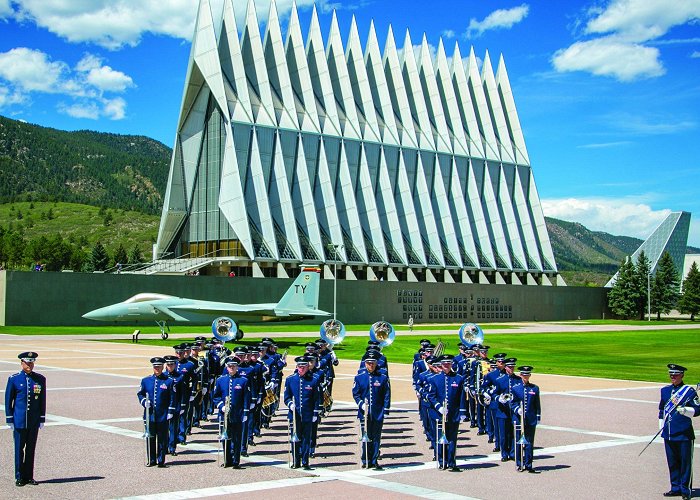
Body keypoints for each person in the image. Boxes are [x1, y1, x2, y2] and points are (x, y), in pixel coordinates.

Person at [659, 364, 700, 499]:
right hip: (669, 433)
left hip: (684, 434)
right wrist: (661, 426)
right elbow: (661, 410)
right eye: (671, 375)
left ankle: (685, 490)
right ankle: (675, 487)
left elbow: (698, 409)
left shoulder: (689, 392)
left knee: (685, 463)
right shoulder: (665, 391)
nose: (673, 377)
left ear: (682, 375)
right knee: (673, 462)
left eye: (676, 375)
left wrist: (687, 411)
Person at [5, 351, 46, 487]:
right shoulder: (14, 379)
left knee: (31, 449)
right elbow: (8, 400)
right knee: (19, 449)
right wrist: (10, 419)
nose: (30, 365)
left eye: (32, 362)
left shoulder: (40, 379)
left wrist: (41, 418)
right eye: (27, 363)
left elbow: (42, 400)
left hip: (33, 421)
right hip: (19, 420)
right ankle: (19, 476)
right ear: (21, 363)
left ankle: (29, 476)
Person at [426, 354, 467, 471]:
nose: (446, 366)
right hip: (439, 414)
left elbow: (461, 397)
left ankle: (452, 462)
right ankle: (441, 461)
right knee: (440, 438)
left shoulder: (458, 378)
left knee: (452, 438)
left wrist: (462, 412)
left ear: (451, 364)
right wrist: (439, 407)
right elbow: (431, 396)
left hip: (453, 414)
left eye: (448, 364)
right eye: (444, 364)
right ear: (441, 365)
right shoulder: (434, 379)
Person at [352, 351, 391, 469]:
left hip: (377, 412)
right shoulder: (359, 377)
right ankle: (365, 459)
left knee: (376, 437)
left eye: (373, 363)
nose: (371, 365)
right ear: (365, 364)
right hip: (364, 413)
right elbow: (356, 393)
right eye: (369, 363)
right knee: (366, 436)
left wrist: (386, 410)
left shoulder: (383, 377)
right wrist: (361, 404)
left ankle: (374, 459)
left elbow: (386, 394)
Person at [212, 356, 251, 468]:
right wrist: (221, 407)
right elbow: (216, 397)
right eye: (230, 366)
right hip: (224, 414)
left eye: (234, 366)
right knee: (225, 437)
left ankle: (236, 460)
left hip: (237, 414)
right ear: (227, 367)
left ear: (237, 367)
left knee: (237, 438)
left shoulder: (243, 381)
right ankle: (227, 459)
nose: (232, 368)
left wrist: (245, 413)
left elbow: (246, 398)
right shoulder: (220, 380)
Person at [284, 356, 322, 470]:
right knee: (295, 437)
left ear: (307, 367)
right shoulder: (290, 379)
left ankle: (305, 461)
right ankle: (296, 460)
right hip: (294, 415)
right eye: (299, 366)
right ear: (297, 367)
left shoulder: (314, 379)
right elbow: (286, 397)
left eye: (304, 366)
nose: (301, 369)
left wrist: (315, 413)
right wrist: (290, 404)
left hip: (307, 414)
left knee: (306, 438)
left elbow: (317, 398)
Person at [137, 357, 176, 468]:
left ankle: (161, 460)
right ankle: (151, 459)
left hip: (162, 414)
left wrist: (170, 411)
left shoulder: (169, 381)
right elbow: (140, 394)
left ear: (162, 367)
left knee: (162, 439)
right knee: (150, 438)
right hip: (150, 415)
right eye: (155, 367)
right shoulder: (146, 380)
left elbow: (172, 398)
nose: (157, 369)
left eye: (159, 367)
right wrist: (144, 401)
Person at [510, 365, 541, 473]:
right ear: (520, 375)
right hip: (519, 419)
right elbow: (512, 403)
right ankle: (519, 463)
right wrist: (517, 409)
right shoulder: (515, 388)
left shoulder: (534, 388)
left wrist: (538, 416)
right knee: (519, 442)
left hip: (530, 419)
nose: (525, 377)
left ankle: (528, 464)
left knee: (529, 442)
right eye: (524, 375)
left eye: (527, 375)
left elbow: (537, 404)